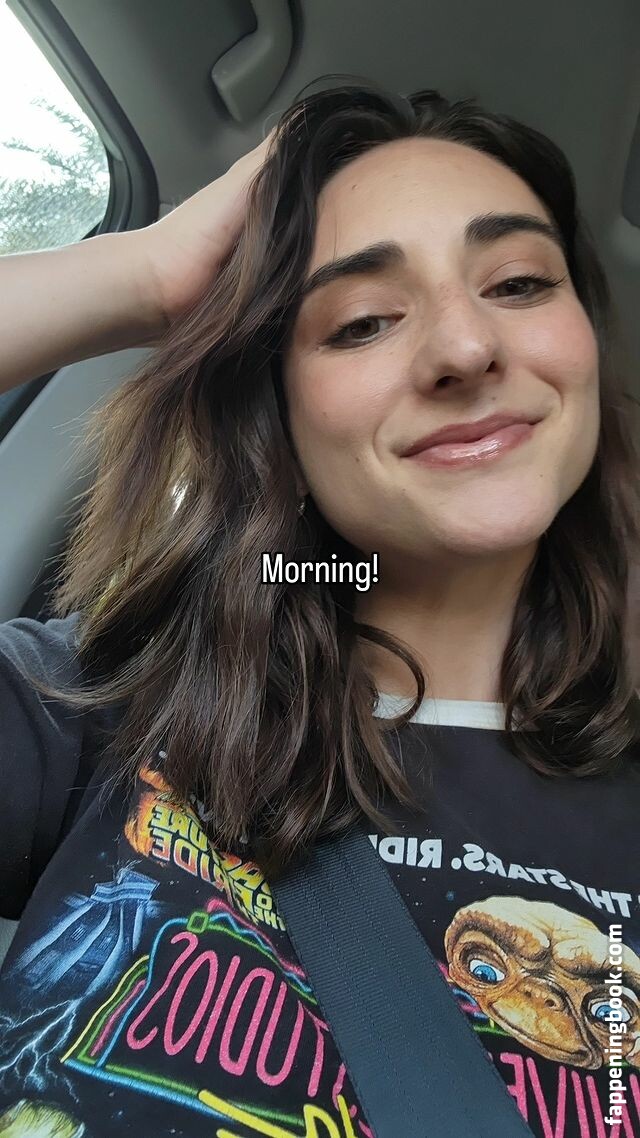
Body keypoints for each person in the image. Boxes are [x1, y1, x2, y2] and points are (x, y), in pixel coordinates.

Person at [1, 78, 640, 1138]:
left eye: (520, 282)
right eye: (362, 322)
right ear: (280, 427)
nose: (464, 348)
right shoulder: (93, 709)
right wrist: (138, 277)